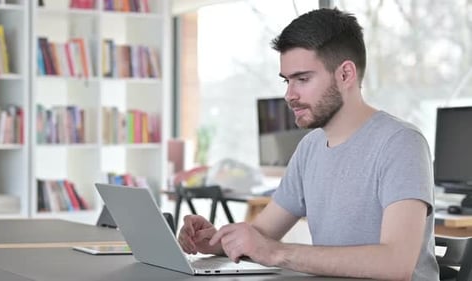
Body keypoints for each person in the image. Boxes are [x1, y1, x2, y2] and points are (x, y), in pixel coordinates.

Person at [178, 8, 439, 281]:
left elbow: (396, 264)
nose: (289, 95)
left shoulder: (401, 143)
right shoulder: (310, 149)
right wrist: (215, 241)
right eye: (287, 81)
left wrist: (276, 253)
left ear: (346, 74)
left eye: (302, 79)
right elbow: (263, 235)